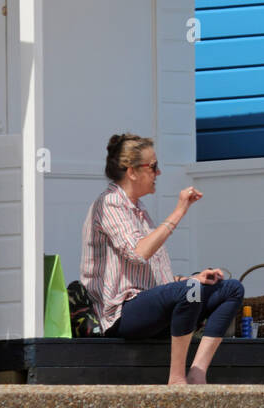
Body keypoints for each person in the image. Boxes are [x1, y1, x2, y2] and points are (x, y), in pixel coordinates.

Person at [81, 133, 244, 385]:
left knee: (231, 289)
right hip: (122, 314)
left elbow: (155, 279)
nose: (159, 173)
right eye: (153, 167)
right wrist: (179, 211)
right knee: (189, 291)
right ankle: (176, 379)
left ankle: (197, 373)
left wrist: (192, 278)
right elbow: (139, 253)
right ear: (132, 171)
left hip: (147, 306)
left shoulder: (139, 209)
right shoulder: (109, 204)